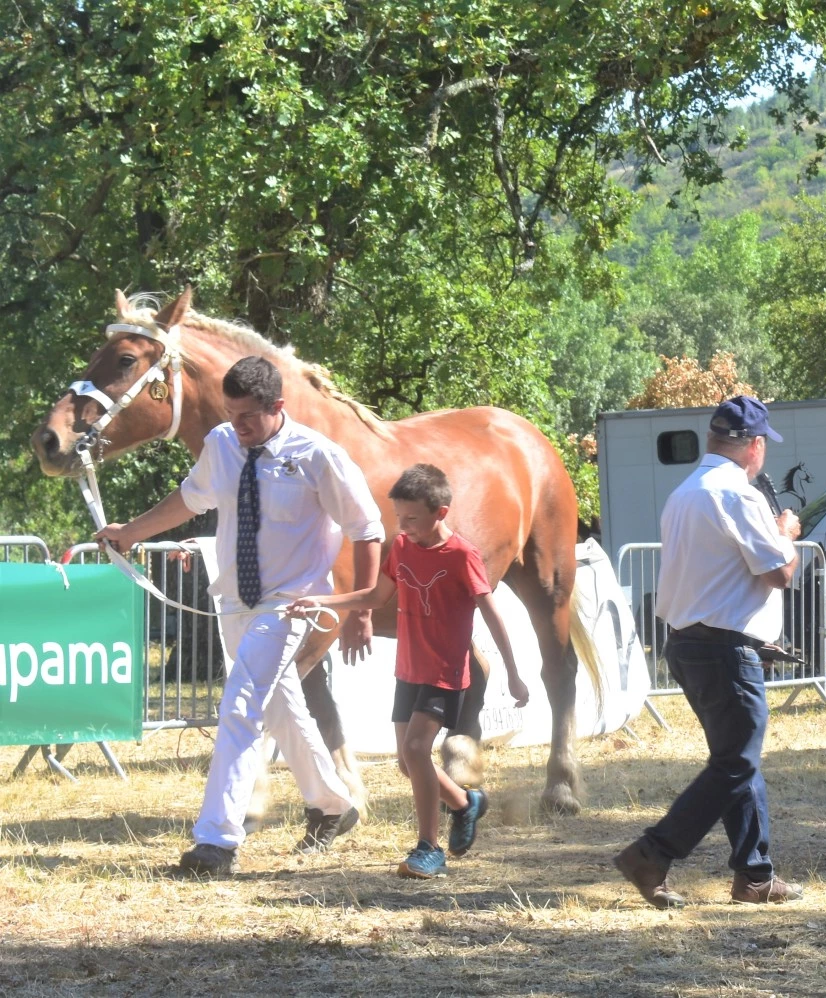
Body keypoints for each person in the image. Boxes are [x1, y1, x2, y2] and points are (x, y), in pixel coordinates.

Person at [96, 356, 382, 876]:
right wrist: (133, 532)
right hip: (235, 601)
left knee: (241, 706)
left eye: (247, 415)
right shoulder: (222, 445)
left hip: (292, 605)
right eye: (230, 413)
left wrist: (359, 604)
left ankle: (216, 841)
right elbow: (190, 498)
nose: (237, 425)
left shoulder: (318, 455)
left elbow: (366, 528)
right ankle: (334, 804)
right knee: (280, 710)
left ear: (277, 407)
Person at [288, 464, 529, 878]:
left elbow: (492, 613)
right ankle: (465, 803)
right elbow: (376, 594)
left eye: (412, 518)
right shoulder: (401, 547)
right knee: (406, 761)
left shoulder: (462, 556)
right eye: (399, 518)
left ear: (441, 512)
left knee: (417, 750)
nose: (403, 526)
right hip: (409, 669)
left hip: (446, 671)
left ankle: (428, 848)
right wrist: (323, 603)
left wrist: (513, 672)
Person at [613, 396, 804, 907]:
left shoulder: (685, 492)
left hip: (690, 643)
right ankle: (652, 853)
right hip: (724, 648)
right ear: (755, 446)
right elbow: (778, 573)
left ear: (714, 439)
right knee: (736, 764)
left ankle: (755, 874)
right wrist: (787, 535)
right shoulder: (737, 495)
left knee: (737, 759)